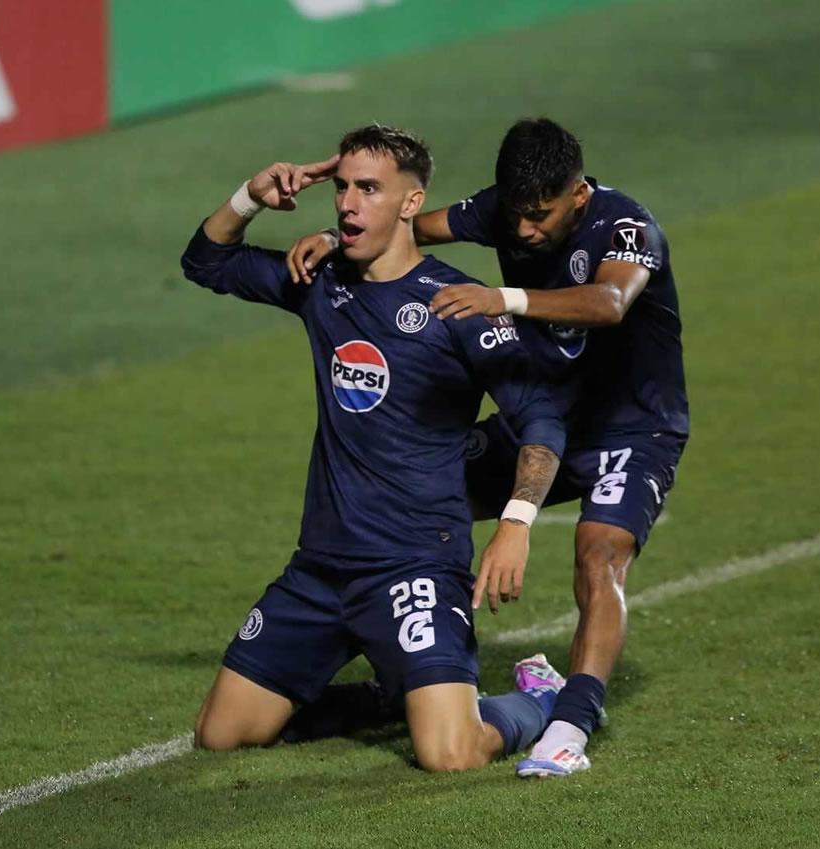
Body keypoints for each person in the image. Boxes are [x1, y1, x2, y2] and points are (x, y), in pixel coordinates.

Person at [285, 118, 689, 777]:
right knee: (416, 493)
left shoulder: (627, 229)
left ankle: (569, 722)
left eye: (541, 214)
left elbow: (611, 301)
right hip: (545, 418)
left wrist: (500, 297)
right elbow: (411, 221)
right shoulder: (503, 211)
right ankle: (417, 681)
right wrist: (340, 234)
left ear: (577, 195)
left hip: (632, 428)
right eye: (516, 213)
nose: (525, 229)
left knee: (599, 553)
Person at [181, 124, 573, 772]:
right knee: (222, 733)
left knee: (450, 752)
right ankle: (396, 696)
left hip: (414, 564)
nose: (347, 203)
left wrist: (516, 523)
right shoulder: (322, 281)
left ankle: (538, 699)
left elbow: (542, 421)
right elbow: (207, 261)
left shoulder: (461, 306)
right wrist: (249, 196)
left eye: (369, 189)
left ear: (411, 204)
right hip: (321, 569)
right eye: (342, 187)